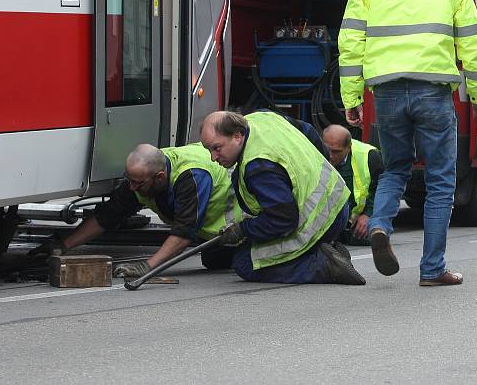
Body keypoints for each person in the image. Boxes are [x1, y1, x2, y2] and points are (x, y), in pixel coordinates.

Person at [338, 0, 477, 286]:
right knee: (440, 181)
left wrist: (352, 99)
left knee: (394, 169)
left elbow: (350, 45)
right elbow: (474, 43)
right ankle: (432, 269)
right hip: (433, 93)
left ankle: (379, 225)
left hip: (387, 94)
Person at [199, 110, 365, 285]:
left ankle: (325, 265)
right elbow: (308, 130)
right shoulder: (261, 117)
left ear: (238, 136)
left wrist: (243, 230)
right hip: (338, 203)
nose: (213, 157)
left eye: (217, 148)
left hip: (318, 221)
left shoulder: (258, 167)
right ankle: (324, 251)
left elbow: (283, 220)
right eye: (209, 150)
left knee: (245, 262)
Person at [29, 143, 241, 277]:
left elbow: (184, 231)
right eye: (129, 180)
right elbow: (107, 215)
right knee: (214, 261)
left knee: (233, 264)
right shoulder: (144, 174)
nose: (132, 188)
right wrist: (63, 246)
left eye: (137, 184)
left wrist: (148, 266)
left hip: (242, 227)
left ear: (159, 178)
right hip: (216, 234)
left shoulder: (192, 176)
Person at [321, 124, 382, 246]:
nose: (331, 156)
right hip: (326, 218)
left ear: (348, 148)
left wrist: (369, 214)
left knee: (368, 237)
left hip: (355, 219)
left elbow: (382, 189)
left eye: (336, 152)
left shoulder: (369, 156)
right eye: (327, 150)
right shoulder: (312, 152)